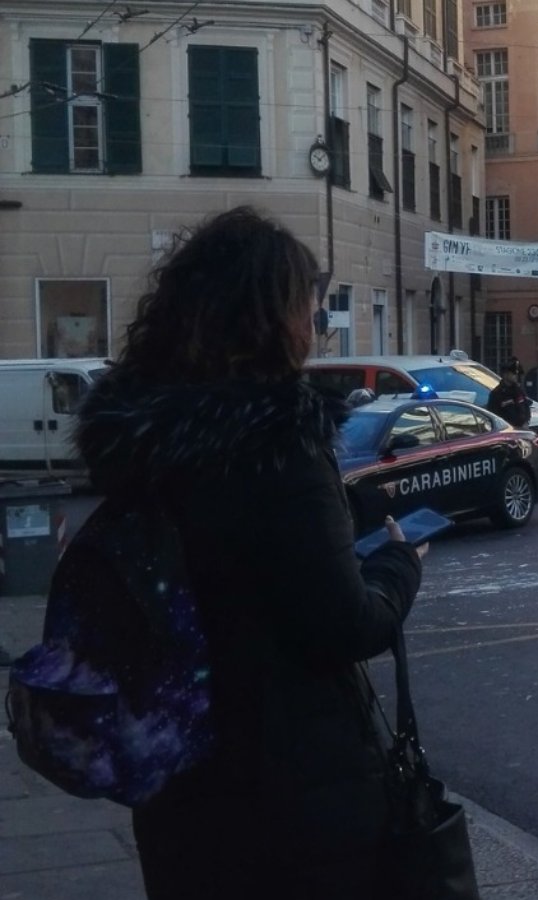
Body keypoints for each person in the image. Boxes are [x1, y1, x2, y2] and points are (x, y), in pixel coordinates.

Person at [73, 207, 424, 899]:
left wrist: (338, 515)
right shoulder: (280, 444)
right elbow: (342, 625)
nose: (315, 329)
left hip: (177, 782)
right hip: (291, 795)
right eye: (311, 313)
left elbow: (222, 554)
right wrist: (397, 567)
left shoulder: (142, 443)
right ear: (270, 318)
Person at [487, 359, 532, 428]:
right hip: (507, 431)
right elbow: (493, 415)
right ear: (505, 375)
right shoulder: (496, 393)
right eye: (513, 373)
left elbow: (526, 407)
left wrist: (526, 421)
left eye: (516, 374)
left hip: (522, 429)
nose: (516, 376)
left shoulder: (518, 390)